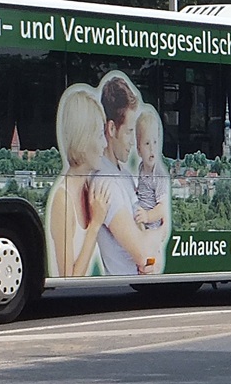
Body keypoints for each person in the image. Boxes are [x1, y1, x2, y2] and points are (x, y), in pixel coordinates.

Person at [93, 72, 166, 275]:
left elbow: (150, 256)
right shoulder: (105, 183)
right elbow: (144, 256)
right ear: (112, 129)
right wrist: (161, 232)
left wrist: (153, 257)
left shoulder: (123, 175)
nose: (133, 142)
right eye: (129, 132)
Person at [47, 86, 111, 277]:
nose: (105, 144)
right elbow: (69, 277)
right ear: (83, 139)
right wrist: (95, 226)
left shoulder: (88, 190)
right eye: (100, 135)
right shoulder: (63, 200)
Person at [133, 104, 170, 234]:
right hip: (142, 219)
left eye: (155, 142)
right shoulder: (141, 168)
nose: (151, 148)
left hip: (152, 227)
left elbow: (162, 208)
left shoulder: (158, 174)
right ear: (138, 150)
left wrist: (148, 217)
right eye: (147, 143)